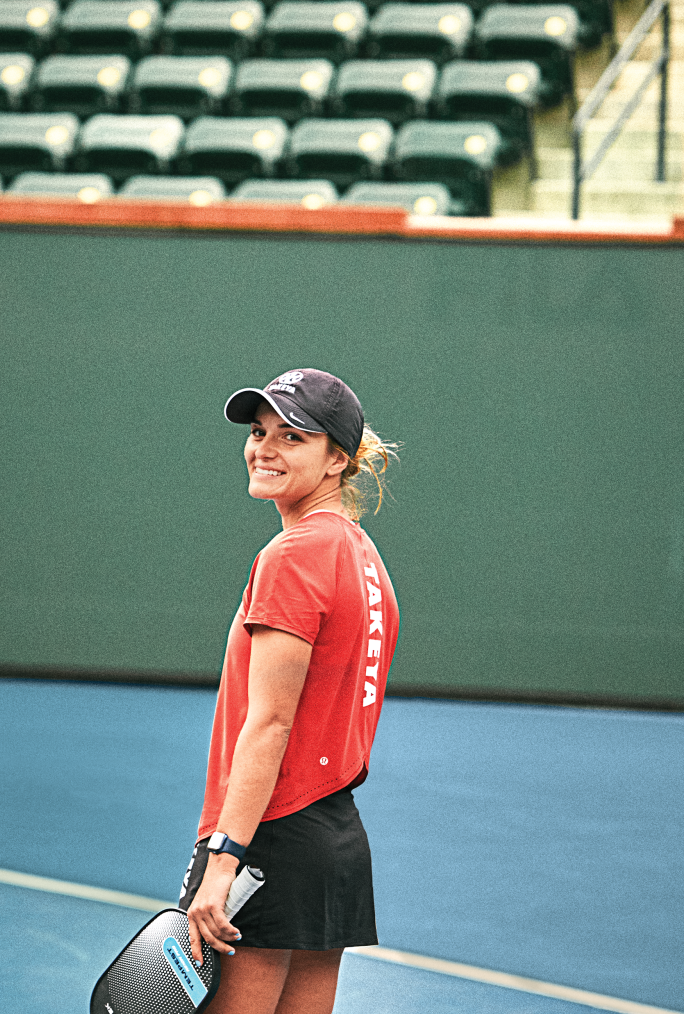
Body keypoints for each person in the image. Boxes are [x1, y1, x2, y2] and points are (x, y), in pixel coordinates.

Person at [177, 369, 400, 1014]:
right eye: (258, 431)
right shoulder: (362, 556)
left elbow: (269, 724)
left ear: (338, 459)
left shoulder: (293, 555)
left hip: (265, 837)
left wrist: (223, 861)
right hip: (332, 838)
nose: (264, 448)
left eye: (292, 436)